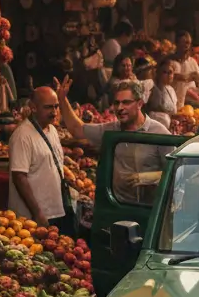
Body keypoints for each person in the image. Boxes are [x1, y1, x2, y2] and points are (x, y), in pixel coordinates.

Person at [56, 76, 170, 205]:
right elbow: (77, 130)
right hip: (117, 207)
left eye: (126, 102)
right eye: (116, 103)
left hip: (149, 210)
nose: (120, 108)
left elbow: (176, 170)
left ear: (139, 104)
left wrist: (144, 178)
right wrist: (62, 99)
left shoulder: (159, 132)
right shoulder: (111, 129)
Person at [9, 87, 72, 233]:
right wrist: (37, 212)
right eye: (48, 107)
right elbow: (19, 177)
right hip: (32, 217)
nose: (54, 112)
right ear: (33, 108)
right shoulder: (22, 136)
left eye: (56, 106)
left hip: (54, 211)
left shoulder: (53, 130)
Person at [170, 30, 199, 108]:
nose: (186, 46)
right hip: (175, 101)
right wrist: (187, 77)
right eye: (183, 43)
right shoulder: (170, 62)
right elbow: (176, 77)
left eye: (188, 43)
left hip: (190, 99)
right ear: (176, 44)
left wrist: (193, 76)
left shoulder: (192, 61)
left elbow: (198, 78)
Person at [146, 61, 178, 127]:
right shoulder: (152, 88)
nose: (168, 75)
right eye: (165, 72)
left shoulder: (171, 89)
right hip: (154, 126)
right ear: (158, 73)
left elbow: (173, 111)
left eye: (170, 72)